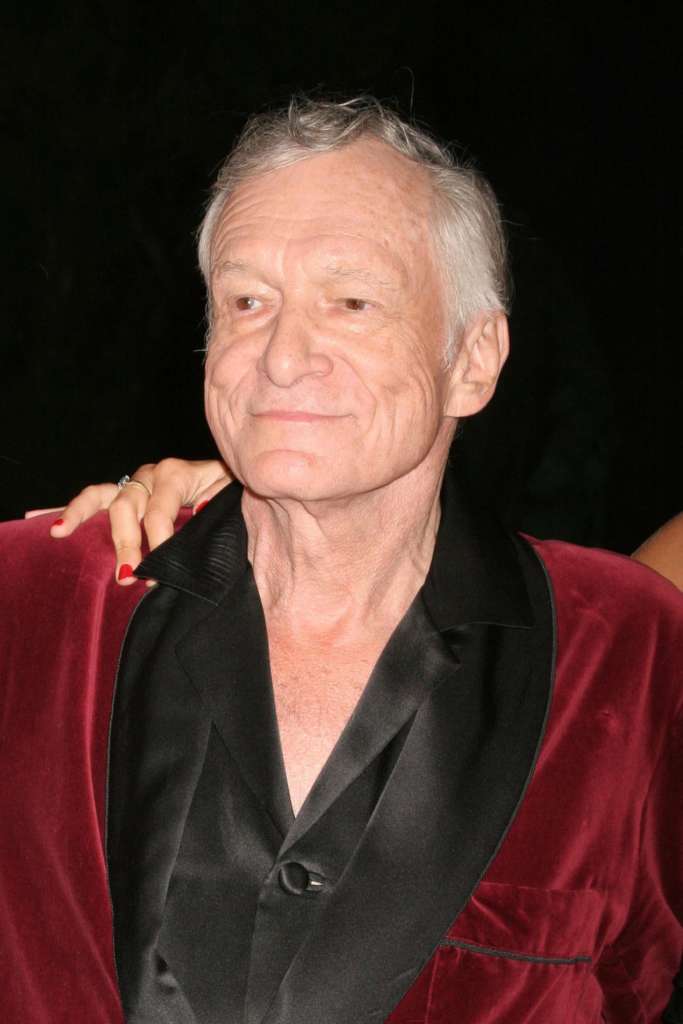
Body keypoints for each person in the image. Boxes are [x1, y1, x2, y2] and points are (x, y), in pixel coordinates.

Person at [2, 97, 682, 1024]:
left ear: (473, 360)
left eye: (351, 302)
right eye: (247, 301)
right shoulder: (34, 598)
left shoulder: (629, 652)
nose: (281, 357)